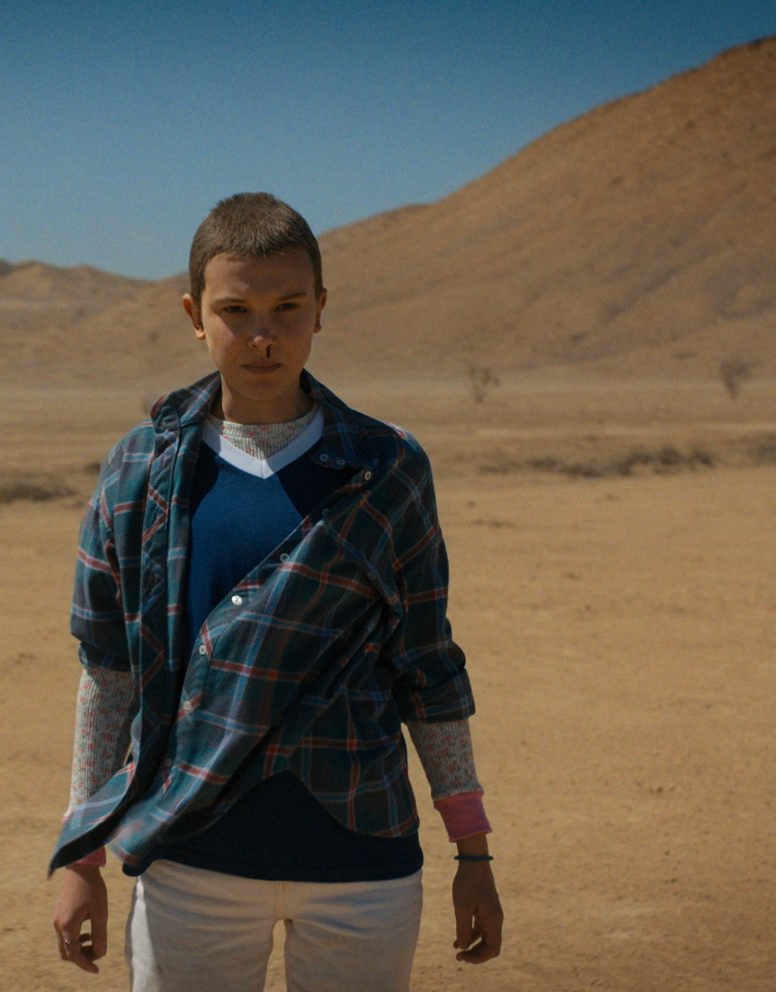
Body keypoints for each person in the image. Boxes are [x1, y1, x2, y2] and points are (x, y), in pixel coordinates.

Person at [47, 192, 502, 991]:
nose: (263, 335)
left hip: (364, 865)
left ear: (321, 310)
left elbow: (428, 667)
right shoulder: (139, 471)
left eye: (287, 308)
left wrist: (473, 849)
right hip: (191, 860)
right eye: (236, 310)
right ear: (195, 314)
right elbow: (110, 671)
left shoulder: (386, 468)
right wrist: (81, 851)